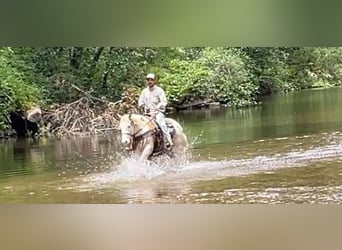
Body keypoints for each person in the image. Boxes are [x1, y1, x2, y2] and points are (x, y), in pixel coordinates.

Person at [138, 73, 173, 148]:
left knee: (162, 124)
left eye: (151, 80)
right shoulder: (144, 91)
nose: (149, 81)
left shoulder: (159, 90)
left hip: (157, 113)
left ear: (155, 81)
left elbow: (164, 101)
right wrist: (142, 106)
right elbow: (140, 101)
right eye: (148, 80)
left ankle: (168, 140)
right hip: (147, 113)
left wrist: (158, 106)